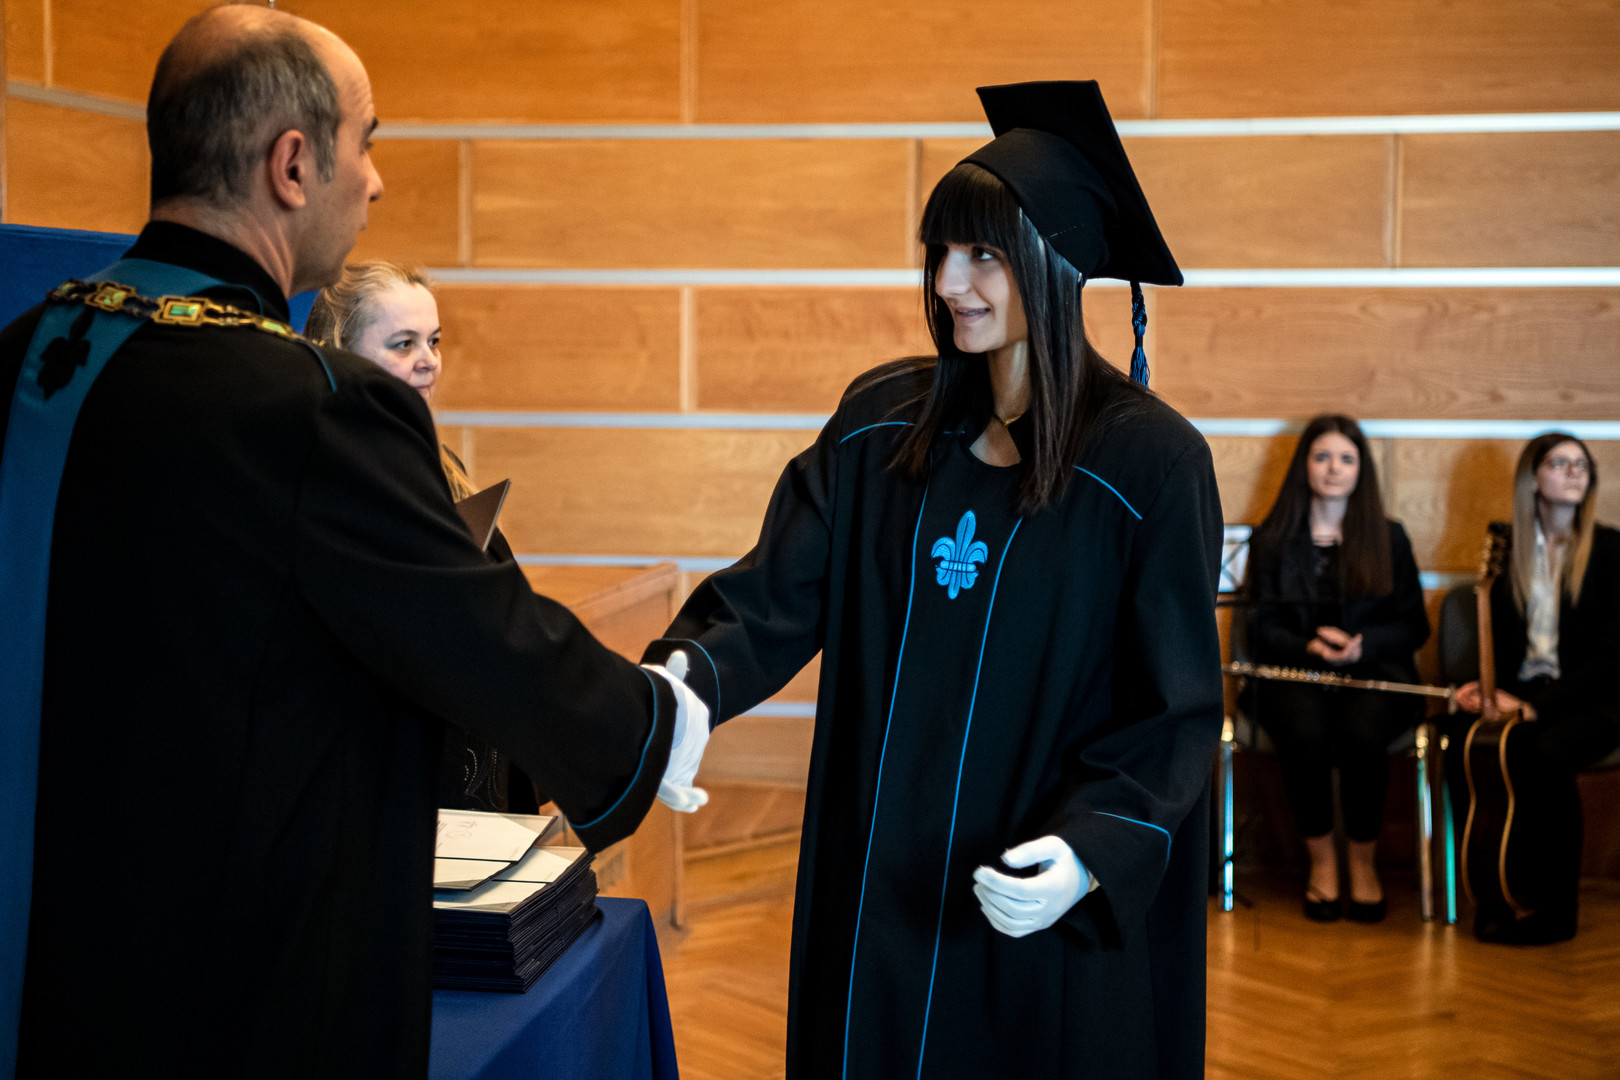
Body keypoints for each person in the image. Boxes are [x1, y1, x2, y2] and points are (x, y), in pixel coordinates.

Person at [0, 7, 705, 1078]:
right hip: (222, 970)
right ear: (292, 165)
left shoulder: (25, 351)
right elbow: (479, 632)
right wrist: (651, 723)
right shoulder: (315, 406)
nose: (375, 181)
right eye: (365, 143)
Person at [642, 81, 1223, 1079]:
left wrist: (1090, 851)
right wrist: (685, 683)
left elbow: (1174, 710)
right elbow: (775, 592)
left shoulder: (1150, 466)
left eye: (984, 254)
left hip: (1030, 893)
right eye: (941, 251)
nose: (951, 281)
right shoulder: (879, 427)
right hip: (881, 883)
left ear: (1057, 262)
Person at [307, 262, 537, 813]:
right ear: (341, 353)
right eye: (403, 344)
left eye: (433, 341)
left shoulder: (437, 460)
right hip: (377, 760)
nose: (429, 360)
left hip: (464, 739)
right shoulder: (319, 473)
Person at [1242, 416, 1430, 922]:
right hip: (1295, 672)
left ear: (1360, 469)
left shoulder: (1389, 537)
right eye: (1322, 456)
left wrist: (1362, 647)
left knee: (1361, 734)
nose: (1333, 468)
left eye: (1346, 458)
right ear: (1304, 465)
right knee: (1304, 732)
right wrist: (1309, 646)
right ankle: (1322, 863)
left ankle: (1363, 864)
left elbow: (1414, 625)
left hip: (1375, 672)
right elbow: (1258, 627)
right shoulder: (1272, 539)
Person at [1452, 433, 1620, 944]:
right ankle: (1494, 892)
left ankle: (1556, 910)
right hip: (1526, 693)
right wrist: (1483, 691)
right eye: (1558, 462)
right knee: (1466, 742)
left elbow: (1609, 659)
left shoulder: (1611, 549)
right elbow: (1502, 645)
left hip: (1596, 699)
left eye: (1581, 465)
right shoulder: (1509, 548)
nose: (1574, 472)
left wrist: (1532, 707)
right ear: (1532, 477)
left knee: (1546, 752)